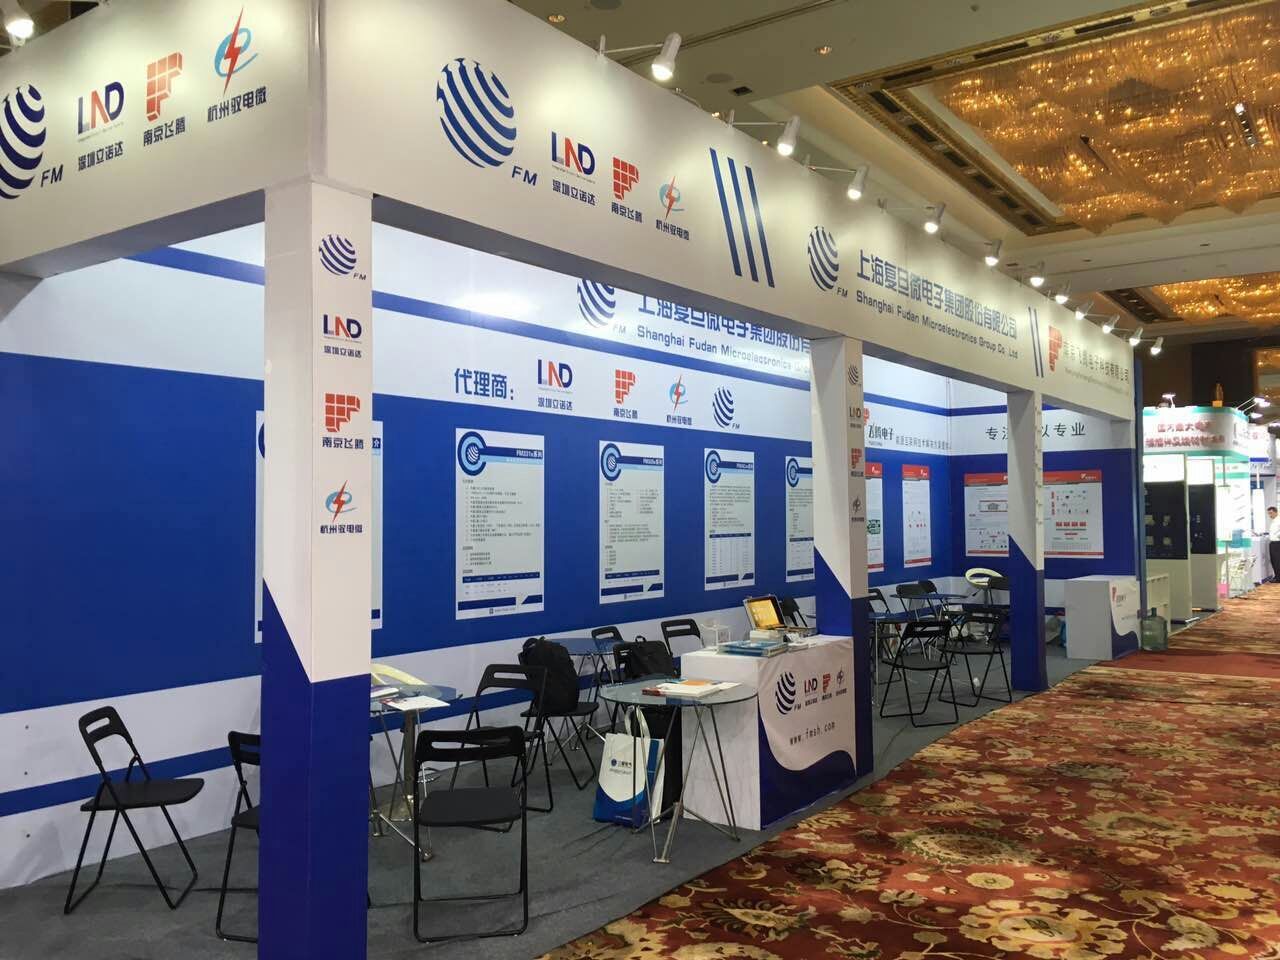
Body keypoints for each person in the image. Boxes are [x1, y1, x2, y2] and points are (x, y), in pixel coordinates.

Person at [1270, 506, 1280, 583]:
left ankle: (1278, 578)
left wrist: (1277, 536)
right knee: (1273, 560)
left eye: (1271, 513)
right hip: (1273, 543)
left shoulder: (1278, 520)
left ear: (1276, 512)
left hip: (1277, 543)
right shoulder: (1274, 521)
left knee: (1277, 561)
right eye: (1268, 513)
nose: (1270, 515)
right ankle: (1277, 576)